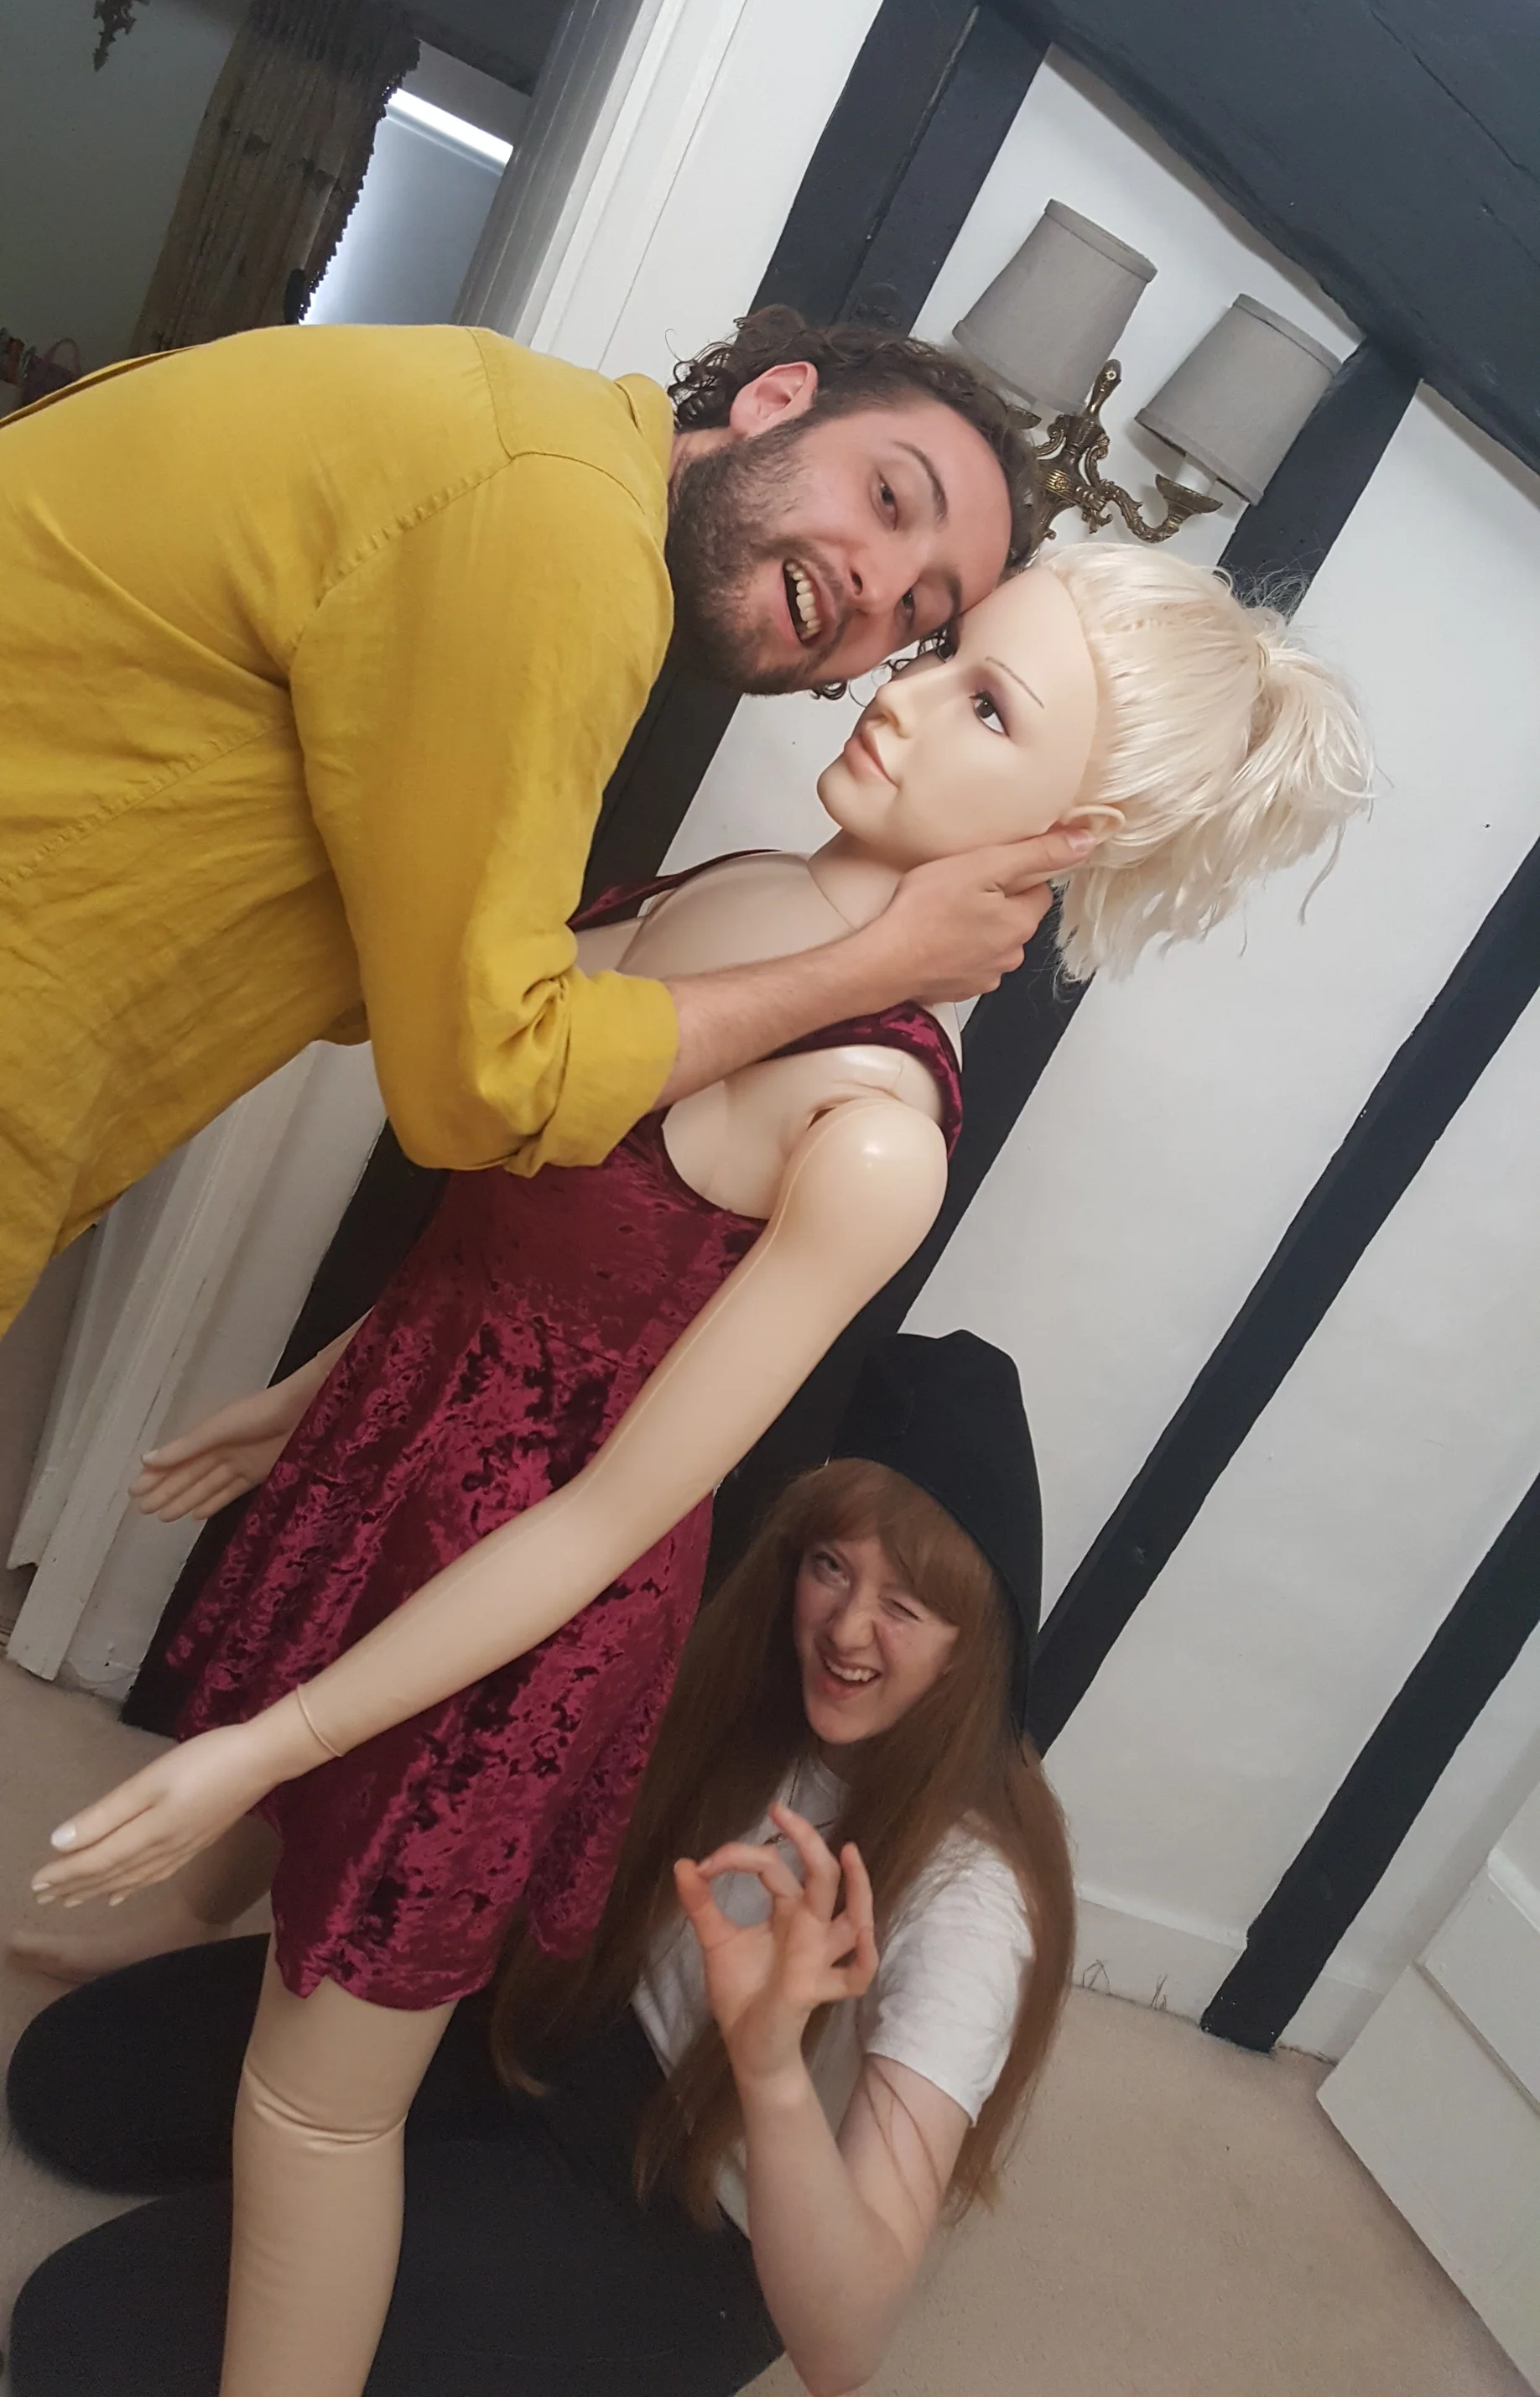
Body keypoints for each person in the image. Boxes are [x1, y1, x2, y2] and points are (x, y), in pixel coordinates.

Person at [16, 540, 1370, 2396]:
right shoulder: (729, 887)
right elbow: (518, 1216)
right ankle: (150, 1961)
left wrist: (274, 1736)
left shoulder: (871, 1131)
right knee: (269, 1830)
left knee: (317, 2108)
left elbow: (607, 1515)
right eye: (944, 650)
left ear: (1077, 831)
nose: (904, 694)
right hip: (407, 1444)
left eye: (989, 706)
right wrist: (328, 1386)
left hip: (519, 1612)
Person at [8, 1331, 1076, 2397]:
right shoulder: (749, 1688)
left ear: (974, 1643)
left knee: (86, 2341)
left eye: (905, 1607)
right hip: (560, 2032)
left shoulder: (974, 1904)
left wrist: (769, 2067)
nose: (846, 1629)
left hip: (688, 2214)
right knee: (76, 2078)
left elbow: (845, 2350)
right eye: (832, 1568)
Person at [0, 304, 1064, 1337]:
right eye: (886, 497)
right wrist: (880, 966)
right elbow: (487, 1082)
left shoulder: (534, 434)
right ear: (775, 399)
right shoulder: (566, 529)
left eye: (919, 613)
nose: (878, 588)